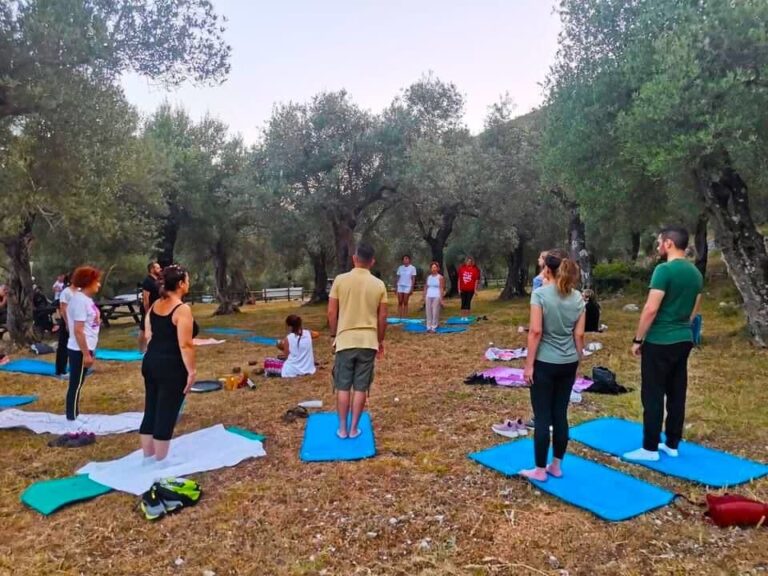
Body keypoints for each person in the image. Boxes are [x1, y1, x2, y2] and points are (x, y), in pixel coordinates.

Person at [624, 226, 703, 462]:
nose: (658, 246)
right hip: (683, 338)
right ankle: (672, 443)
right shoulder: (696, 274)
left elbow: (650, 308)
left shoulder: (664, 270)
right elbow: (693, 312)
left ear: (669, 243)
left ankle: (649, 448)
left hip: (660, 340)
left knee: (653, 394)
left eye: (660, 242)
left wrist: (638, 339)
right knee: (677, 392)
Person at [520, 250, 585, 481]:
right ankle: (556, 465)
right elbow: (579, 335)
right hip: (568, 363)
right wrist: (576, 362)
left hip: (545, 363)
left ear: (547, 269)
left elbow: (536, 331)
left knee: (543, 416)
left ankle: (539, 470)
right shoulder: (578, 298)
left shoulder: (540, 295)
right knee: (560, 414)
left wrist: (529, 366)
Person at [327, 243, 387, 439]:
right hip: (368, 342)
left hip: (345, 340)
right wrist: (380, 341)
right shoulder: (379, 285)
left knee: (343, 385)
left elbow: (331, 312)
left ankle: (342, 429)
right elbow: (382, 318)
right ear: (372, 261)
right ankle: (354, 429)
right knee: (361, 387)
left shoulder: (340, 280)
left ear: (354, 258)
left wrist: (334, 335)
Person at [140, 265, 198, 463]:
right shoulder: (182, 309)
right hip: (171, 366)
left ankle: (148, 457)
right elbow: (186, 344)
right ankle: (161, 462)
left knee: (152, 409)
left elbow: (149, 335)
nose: (189, 284)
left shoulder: (155, 305)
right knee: (166, 411)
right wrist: (191, 371)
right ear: (181, 284)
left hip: (151, 362)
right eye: (187, 280)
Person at [65, 267, 102, 420]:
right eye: (96, 281)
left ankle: (74, 413)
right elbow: (78, 330)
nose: (99, 285)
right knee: (76, 383)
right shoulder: (79, 301)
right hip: (79, 349)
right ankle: (72, 417)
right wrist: (86, 354)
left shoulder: (86, 300)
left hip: (86, 347)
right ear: (88, 282)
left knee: (78, 382)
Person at [138, 261, 162, 352]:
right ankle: (142, 349)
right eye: (157, 268)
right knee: (143, 329)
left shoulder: (157, 280)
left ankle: (152, 347)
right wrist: (147, 311)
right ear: (152, 269)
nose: (160, 269)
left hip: (157, 308)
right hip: (148, 309)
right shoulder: (147, 281)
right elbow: (146, 298)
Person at [55, 275, 73, 376]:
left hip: (75, 321)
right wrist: (67, 323)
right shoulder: (66, 292)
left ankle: (74, 367)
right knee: (63, 346)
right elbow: (63, 309)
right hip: (67, 322)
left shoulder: (78, 291)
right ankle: (61, 370)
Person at [423, 261, 445, 332]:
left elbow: (441, 288)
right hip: (429, 295)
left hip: (436, 295)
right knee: (428, 311)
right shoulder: (428, 277)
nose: (434, 269)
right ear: (430, 269)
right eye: (432, 268)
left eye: (435, 267)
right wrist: (424, 295)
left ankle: (434, 326)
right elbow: (426, 287)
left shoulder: (440, 277)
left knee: (435, 311)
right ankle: (428, 326)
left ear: (438, 268)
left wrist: (441, 299)